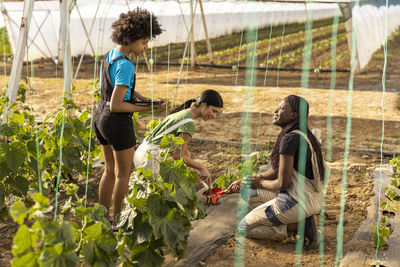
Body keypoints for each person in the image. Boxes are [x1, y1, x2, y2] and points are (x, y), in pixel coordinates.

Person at [92, 8, 165, 225]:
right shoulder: (126, 65)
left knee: (109, 169)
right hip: (115, 121)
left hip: (99, 117)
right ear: (132, 38)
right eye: (144, 42)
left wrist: (147, 100)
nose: (146, 47)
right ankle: (119, 219)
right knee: (124, 173)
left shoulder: (110, 56)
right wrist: (148, 110)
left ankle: (103, 217)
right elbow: (117, 105)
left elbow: (117, 92)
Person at [226, 95, 325, 249]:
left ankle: (300, 227)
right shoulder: (302, 134)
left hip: (297, 199)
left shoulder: (290, 139)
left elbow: (282, 183)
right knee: (247, 192)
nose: (275, 111)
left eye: (281, 108)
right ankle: (304, 219)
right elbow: (277, 171)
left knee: (243, 228)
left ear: (293, 114)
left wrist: (260, 183)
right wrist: (248, 181)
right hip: (307, 196)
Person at [134, 90, 223, 186]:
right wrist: (202, 167)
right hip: (150, 160)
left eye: (217, 113)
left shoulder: (184, 113)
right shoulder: (189, 123)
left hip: (141, 153)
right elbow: (178, 155)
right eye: (213, 111)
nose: (214, 115)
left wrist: (194, 168)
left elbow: (183, 149)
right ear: (203, 104)